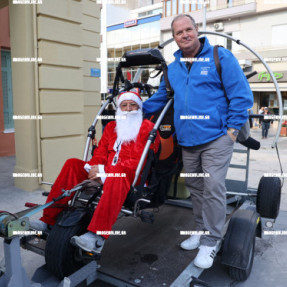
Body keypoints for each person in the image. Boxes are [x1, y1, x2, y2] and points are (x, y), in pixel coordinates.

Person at [143, 14, 253, 269]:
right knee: (195, 187)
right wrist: (133, 108)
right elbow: (160, 99)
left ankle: (211, 241)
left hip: (217, 137)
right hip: (188, 140)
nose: (185, 35)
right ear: (174, 38)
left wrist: (232, 132)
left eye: (188, 29)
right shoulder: (173, 68)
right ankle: (202, 230)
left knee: (213, 186)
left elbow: (241, 95)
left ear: (197, 30)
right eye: (179, 32)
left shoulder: (219, 56)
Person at [31, 90, 160, 254]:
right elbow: (100, 153)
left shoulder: (147, 128)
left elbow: (137, 162)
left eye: (133, 105)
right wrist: (94, 168)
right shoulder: (112, 126)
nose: (128, 109)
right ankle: (48, 220)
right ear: (119, 109)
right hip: (103, 171)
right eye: (124, 105)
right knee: (72, 164)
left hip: (130, 177)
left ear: (139, 108)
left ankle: (96, 236)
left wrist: (105, 171)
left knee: (118, 172)